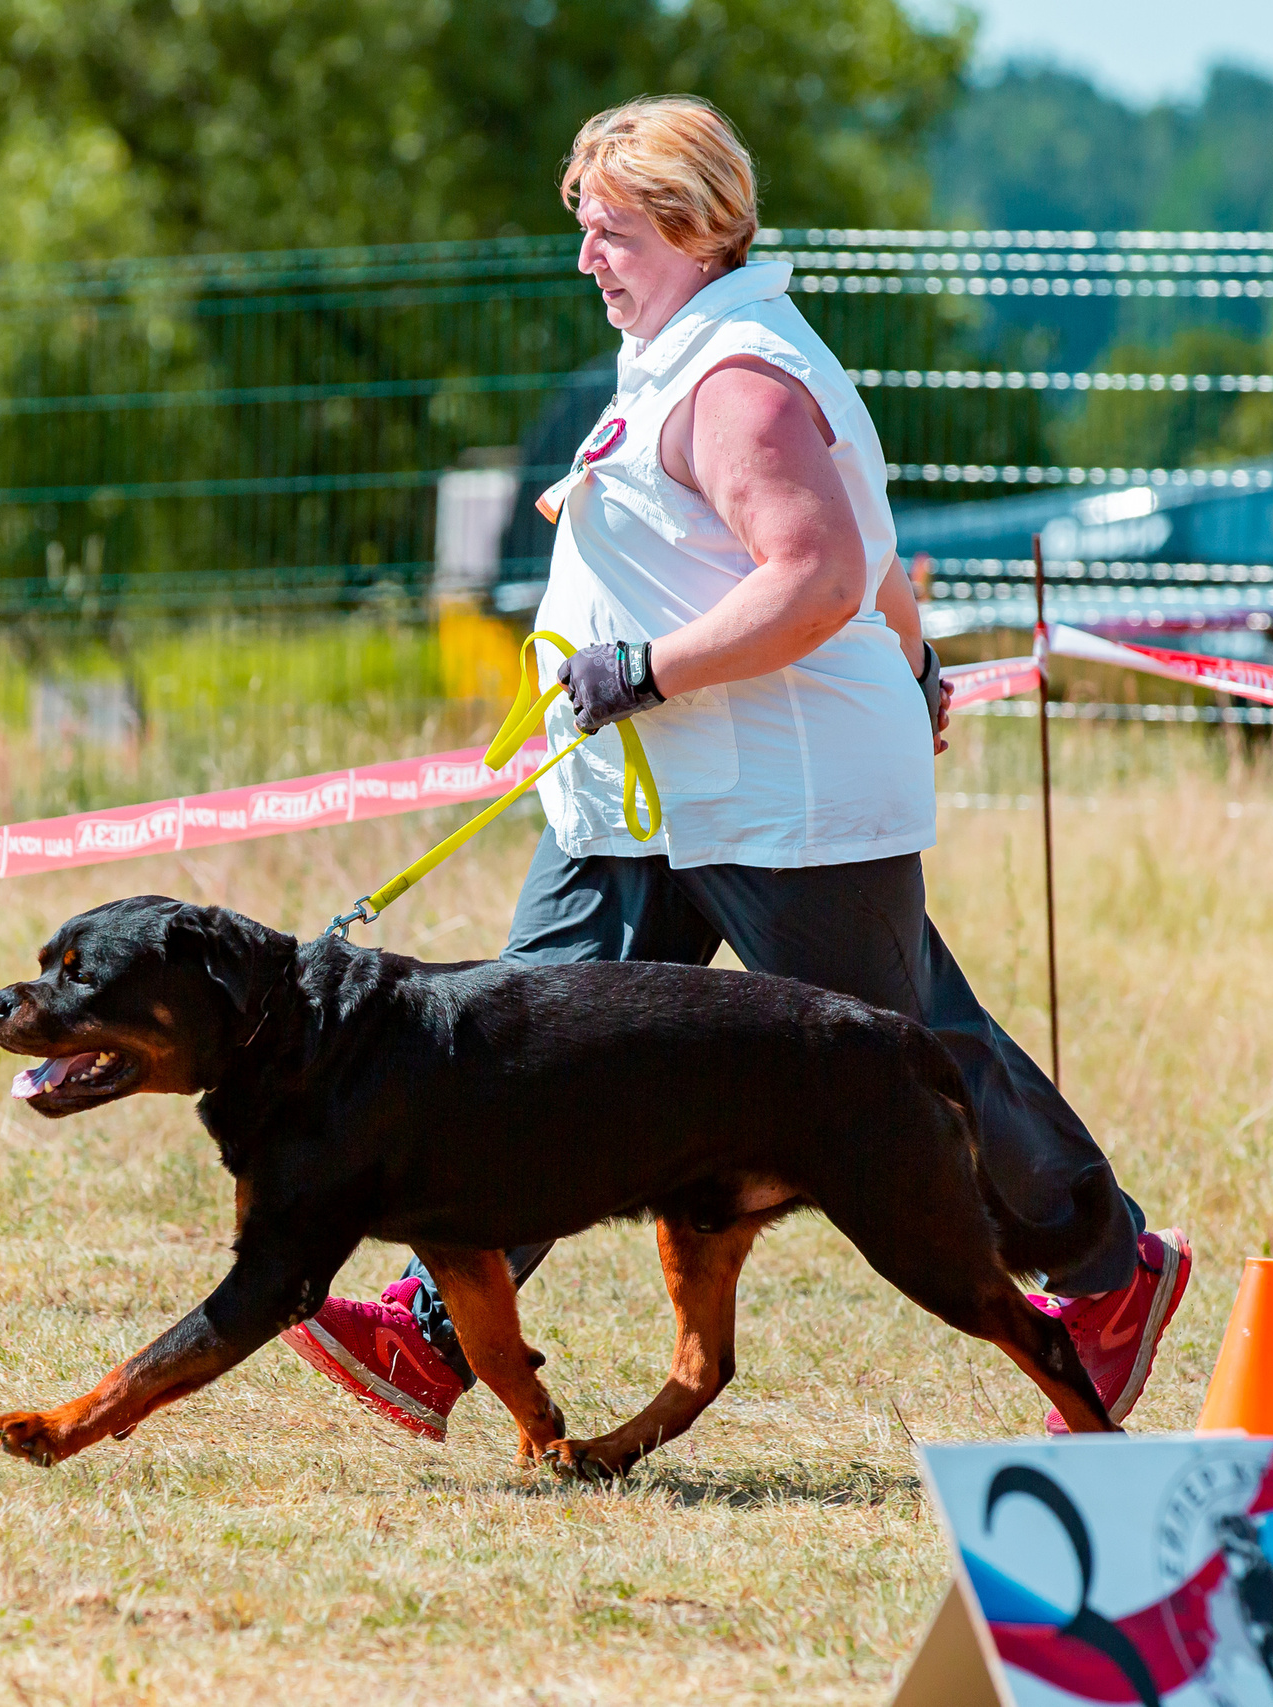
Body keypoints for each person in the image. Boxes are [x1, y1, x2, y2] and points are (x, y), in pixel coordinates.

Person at [281, 96, 1190, 1443]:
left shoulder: (737, 379)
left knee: (904, 1064)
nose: (587, 257)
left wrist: (649, 670)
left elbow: (818, 568)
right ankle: (438, 1330)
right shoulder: (677, 350)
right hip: (642, 801)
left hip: (780, 803)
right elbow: (866, 553)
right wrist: (914, 658)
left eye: (612, 232)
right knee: (519, 1055)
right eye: (585, 230)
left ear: (697, 229)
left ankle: (1108, 1273)